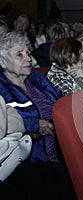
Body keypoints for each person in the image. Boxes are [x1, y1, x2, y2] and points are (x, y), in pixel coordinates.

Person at [0, 31, 63, 163]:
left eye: (28, 53)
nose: (28, 58)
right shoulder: (2, 89)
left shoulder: (39, 79)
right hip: (29, 158)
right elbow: (6, 122)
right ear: (3, 62)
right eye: (19, 55)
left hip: (62, 148)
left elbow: (63, 103)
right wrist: (34, 124)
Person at [0, 95, 76, 200]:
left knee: (54, 173)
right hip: (5, 165)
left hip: (9, 159)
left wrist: (6, 122)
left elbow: (17, 120)